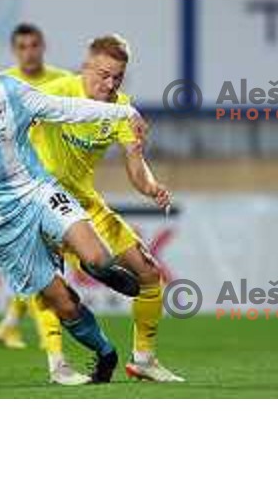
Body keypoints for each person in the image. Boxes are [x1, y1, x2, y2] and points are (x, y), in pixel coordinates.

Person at [0, 33, 146, 384]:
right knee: (63, 302)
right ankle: (106, 353)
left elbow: (64, 109)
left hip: (36, 191)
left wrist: (124, 110)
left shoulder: (7, 91)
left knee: (96, 258)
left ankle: (102, 269)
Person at [28, 34, 184, 382]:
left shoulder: (121, 109)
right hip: (43, 200)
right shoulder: (57, 92)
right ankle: (57, 364)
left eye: (118, 77)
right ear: (85, 67)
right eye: (103, 74)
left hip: (86, 202)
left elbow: (135, 164)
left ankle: (143, 359)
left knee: (148, 271)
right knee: (53, 286)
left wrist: (151, 186)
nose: (110, 83)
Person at [0, 23, 84, 385]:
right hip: (21, 186)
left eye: (34, 45)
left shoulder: (63, 80)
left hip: (58, 184)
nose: (29, 51)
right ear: (15, 50)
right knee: (42, 266)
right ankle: (51, 354)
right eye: (22, 46)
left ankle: (11, 322)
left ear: (42, 46)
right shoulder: (1, 83)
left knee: (67, 262)